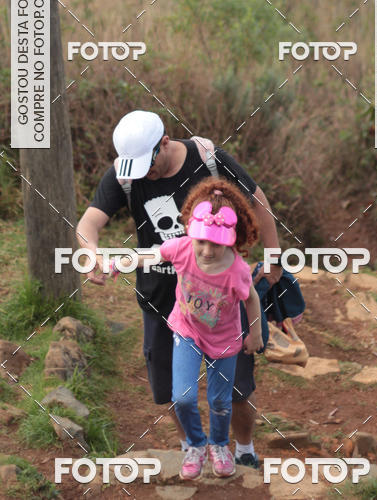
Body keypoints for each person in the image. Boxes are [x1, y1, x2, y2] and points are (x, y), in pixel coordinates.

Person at [76, 109, 283, 468]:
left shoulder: (208, 159)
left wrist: (275, 255)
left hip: (222, 299)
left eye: (148, 164)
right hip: (162, 300)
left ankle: (244, 449)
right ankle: (193, 446)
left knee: (236, 389)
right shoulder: (125, 173)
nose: (144, 174)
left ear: (165, 143)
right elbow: (87, 224)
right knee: (172, 390)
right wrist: (93, 257)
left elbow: (257, 201)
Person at [111, 178, 263, 480]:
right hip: (187, 331)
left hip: (224, 341)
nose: (207, 250)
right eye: (201, 241)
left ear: (230, 240)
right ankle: (195, 445)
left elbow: (252, 299)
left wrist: (255, 333)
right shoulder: (182, 248)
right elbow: (151, 255)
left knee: (220, 400)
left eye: (216, 244)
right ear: (190, 234)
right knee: (182, 397)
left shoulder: (236, 270)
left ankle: (219, 445)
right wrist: (123, 261)